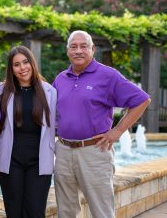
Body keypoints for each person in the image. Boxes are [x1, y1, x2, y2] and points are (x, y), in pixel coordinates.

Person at [53, 30, 151, 218]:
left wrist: (117, 131)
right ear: (67, 51)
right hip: (63, 151)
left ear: (93, 49)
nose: (78, 50)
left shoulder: (108, 75)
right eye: (73, 46)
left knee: (101, 212)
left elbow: (142, 100)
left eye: (84, 46)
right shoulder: (60, 79)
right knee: (65, 212)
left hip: (94, 151)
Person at [0, 45, 57, 217]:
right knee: (13, 211)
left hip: (39, 160)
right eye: (16, 64)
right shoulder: (2, 90)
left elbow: (60, 122)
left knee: (36, 211)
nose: (22, 68)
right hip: (10, 160)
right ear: (11, 69)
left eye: (25, 62)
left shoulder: (50, 92)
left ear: (32, 63)